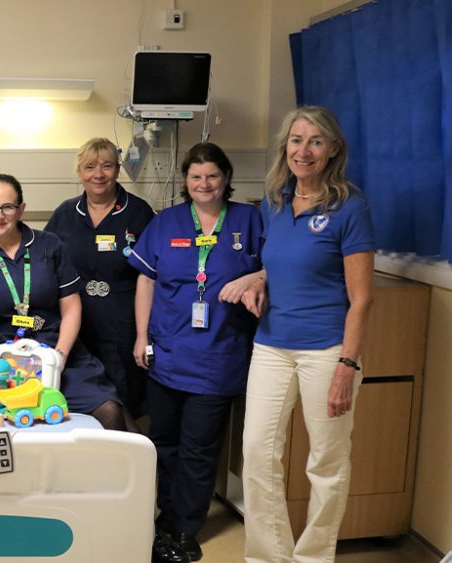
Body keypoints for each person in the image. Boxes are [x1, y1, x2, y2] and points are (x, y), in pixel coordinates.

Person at [241, 106, 374, 563]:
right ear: (286, 147)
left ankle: (313, 558)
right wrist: (258, 280)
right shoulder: (274, 203)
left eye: (316, 141)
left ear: (333, 149)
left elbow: (362, 298)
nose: (304, 150)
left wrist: (347, 366)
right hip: (272, 345)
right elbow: (284, 264)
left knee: (327, 464)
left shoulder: (349, 207)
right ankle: (268, 556)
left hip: (327, 350)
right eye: (296, 140)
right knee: (257, 455)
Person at [128, 143, 263, 563]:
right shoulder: (166, 222)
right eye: (196, 177)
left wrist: (254, 277)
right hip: (167, 351)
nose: (204, 184)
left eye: (212, 176)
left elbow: (280, 265)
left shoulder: (249, 220)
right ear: (186, 182)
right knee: (164, 441)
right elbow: (146, 282)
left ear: (226, 178)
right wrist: (140, 336)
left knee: (199, 448)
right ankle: (163, 519)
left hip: (220, 356)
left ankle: (184, 528)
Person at [0, 173, 126, 430]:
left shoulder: (49, 245)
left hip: (54, 347)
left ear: (21, 209)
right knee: (9, 422)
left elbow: (72, 306)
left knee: (108, 409)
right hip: (1, 358)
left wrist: (61, 356)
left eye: (8, 207)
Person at [45, 137, 154, 418]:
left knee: (124, 397)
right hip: (76, 321)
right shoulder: (66, 213)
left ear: (117, 170)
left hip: (123, 322)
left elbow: (154, 273)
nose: (99, 174)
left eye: (107, 166)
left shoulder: (139, 212)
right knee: (82, 397)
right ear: (80, 172)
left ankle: (131, 457)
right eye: (90, 167)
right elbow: (46, 264)